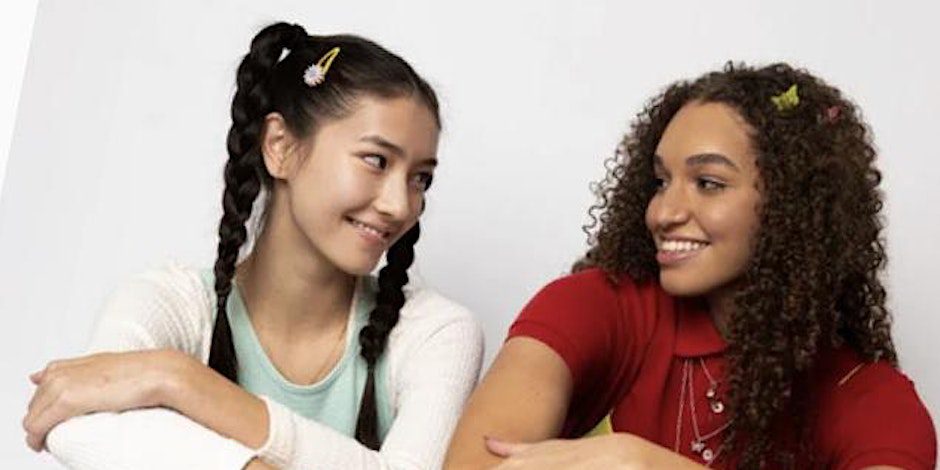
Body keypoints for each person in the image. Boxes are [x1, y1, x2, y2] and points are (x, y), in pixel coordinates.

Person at [23, 21, 483, 470]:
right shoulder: (173, 303)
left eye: (420, 178)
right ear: (279, 146)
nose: (400, 204)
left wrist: (180, 381)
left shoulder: (434, 333)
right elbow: (73, 423)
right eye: (376, 161)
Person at [444, 62, 935, 469]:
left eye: (708, 183)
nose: (663, 213)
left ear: (794, 206)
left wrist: (644, 463)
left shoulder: (874, 402)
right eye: (661, 181)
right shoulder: (597, 305)